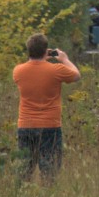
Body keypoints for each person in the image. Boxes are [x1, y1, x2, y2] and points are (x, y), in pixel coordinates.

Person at [13, 33, 81, 182]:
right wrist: (64, 59)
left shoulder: (18, 71)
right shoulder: (56, 70)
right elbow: (76, 75)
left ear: (28, 50)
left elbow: (32, 67)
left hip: (26, 125)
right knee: (50, 170)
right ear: (46, 51)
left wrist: (40, 56)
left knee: (24, 168)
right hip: (50, 126)